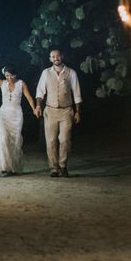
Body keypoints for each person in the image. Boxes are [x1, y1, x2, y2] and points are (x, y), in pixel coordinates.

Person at [0, 58, 37, 177]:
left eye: (11, 76)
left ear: (15, 74)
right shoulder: (2, 83)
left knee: (15, 141)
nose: (9, 78)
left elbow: (29, 98)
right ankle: (3, 167)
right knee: (3, 137)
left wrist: (34, 109)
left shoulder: (21, 84)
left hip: (16, 115)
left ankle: (13, 167)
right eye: (7, 75)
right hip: (4, 114)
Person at [34, 48, 82, 178]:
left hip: (67, 111)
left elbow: (77, 93)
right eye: (53, 56)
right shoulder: (46, 73)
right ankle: (54, 168)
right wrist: (38, 106)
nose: (56, 58)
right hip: (50, 110)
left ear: (62, 56)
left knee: (65, 140)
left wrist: (78, 111)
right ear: (50, 59)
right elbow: (40, 91)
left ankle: (63, 166)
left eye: (58, 56)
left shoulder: (71, 73)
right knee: (51, 141)